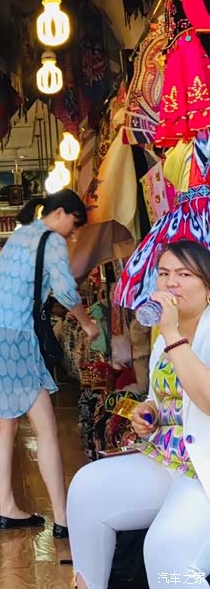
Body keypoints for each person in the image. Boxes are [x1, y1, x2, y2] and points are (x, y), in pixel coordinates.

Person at [68, 240, 210, 588]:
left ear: (208, 287)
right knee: (87, 490)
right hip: (168, 459)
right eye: (164, 273)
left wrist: (172, 334)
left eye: (184, 274)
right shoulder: (166, 333)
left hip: (203, 471)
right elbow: (162, 400)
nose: (171, 283)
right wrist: (148, 412)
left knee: (165, 552)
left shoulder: (174, 332)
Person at [0, 189, 100, 536]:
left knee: (5, 427)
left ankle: (8, 508)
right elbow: (66, 291)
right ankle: (63, 517)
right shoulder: (52, 240)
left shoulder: (19, 235)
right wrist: (88, 324)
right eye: (74, 224)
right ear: (60, 213)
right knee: (46, 428)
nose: (73, 233)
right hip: (16, 338)